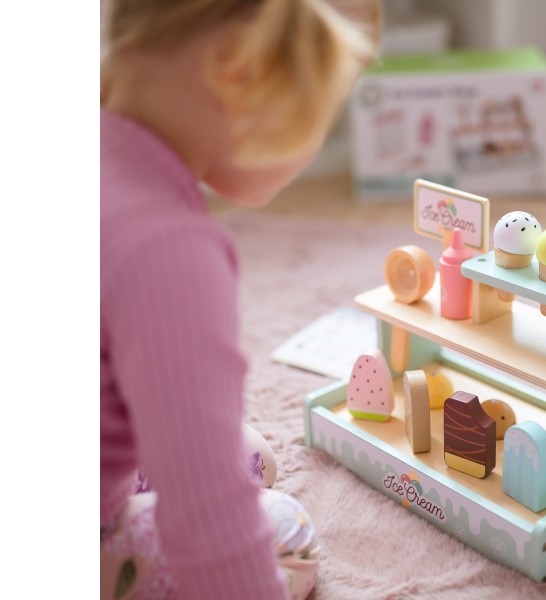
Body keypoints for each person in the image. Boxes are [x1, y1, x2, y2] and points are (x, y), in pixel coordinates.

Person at [100, 1, 381, 598]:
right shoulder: (168, 252)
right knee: (283, 530)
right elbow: (206, 519)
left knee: (249, 453)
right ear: (239, 71)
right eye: (323, 112)